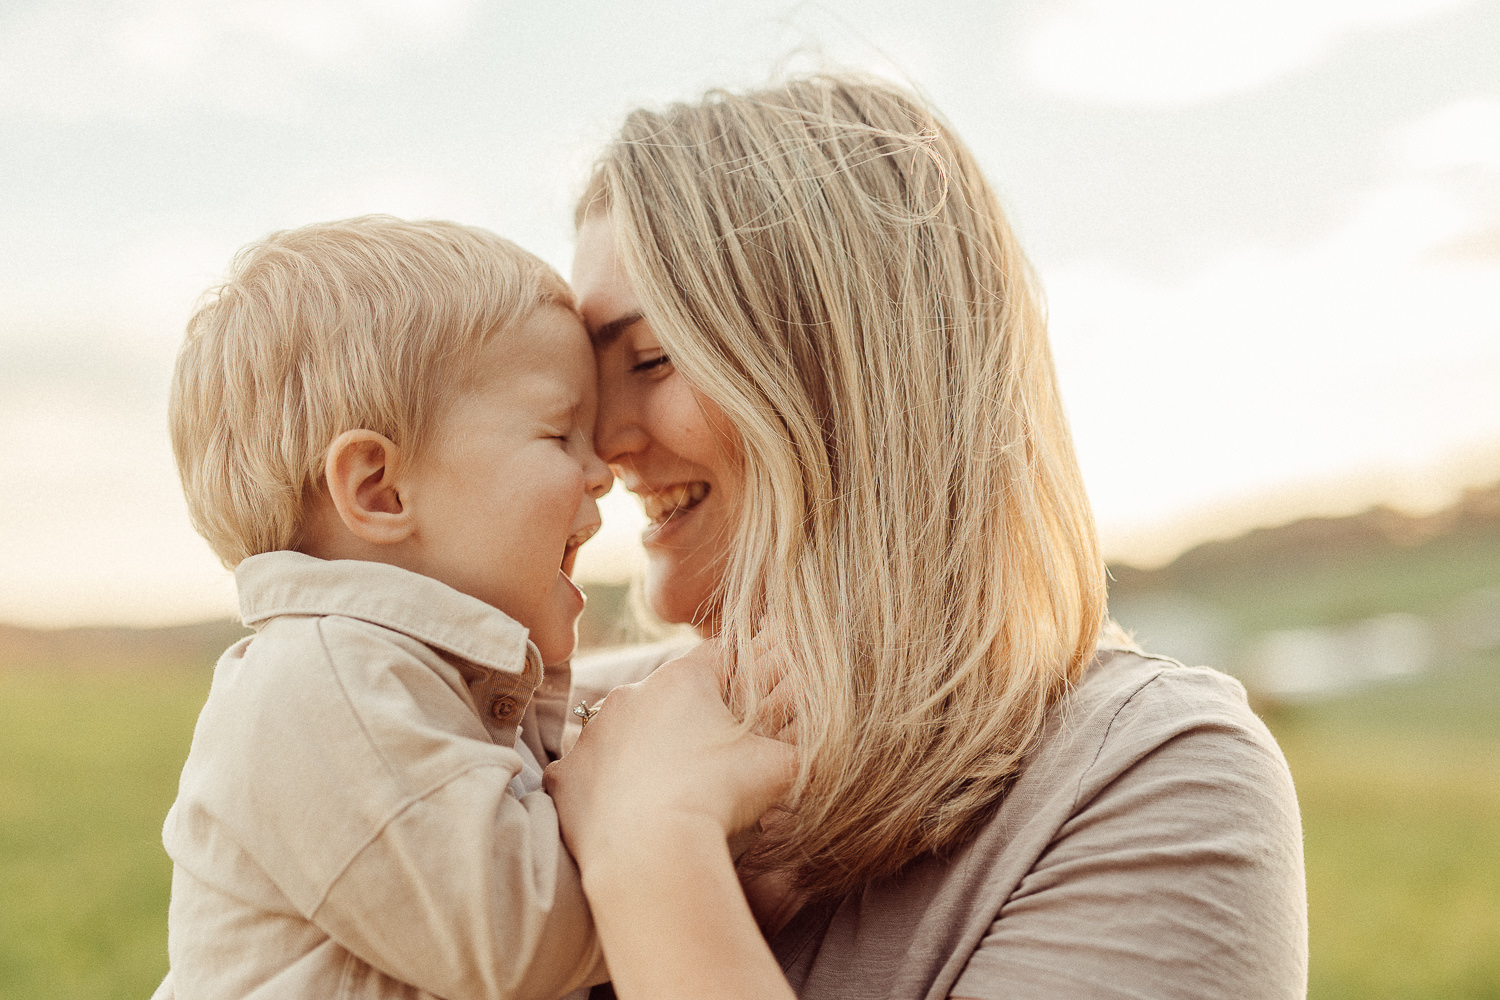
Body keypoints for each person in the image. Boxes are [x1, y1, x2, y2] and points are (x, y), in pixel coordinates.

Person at [545, 74, 1309, 999]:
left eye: (652, 358)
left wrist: (649, 849)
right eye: (588, 380)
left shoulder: (1143, 776)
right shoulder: (530, 726)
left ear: (847, 368)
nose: (602, 441)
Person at [155, 216, 613, 999]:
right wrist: (679, 804)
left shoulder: (421, 681)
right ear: (379, 488)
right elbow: (518, 939)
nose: (602, 472)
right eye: (561, 433)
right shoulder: (324, 681)